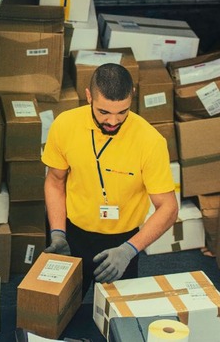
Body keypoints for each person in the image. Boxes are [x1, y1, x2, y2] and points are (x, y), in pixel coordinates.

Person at [42, 63, 178, 295]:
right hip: (72, 233)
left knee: (117, 322)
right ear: (88, 97)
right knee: (59, 311)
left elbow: (168, 208)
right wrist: (57, 232)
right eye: (104, 112)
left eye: (122, 112)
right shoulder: (65, 125)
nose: (113, 121)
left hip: (123, 241)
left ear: (132, 97)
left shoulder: (150, 141)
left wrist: (129, 250)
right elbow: (55, 181)